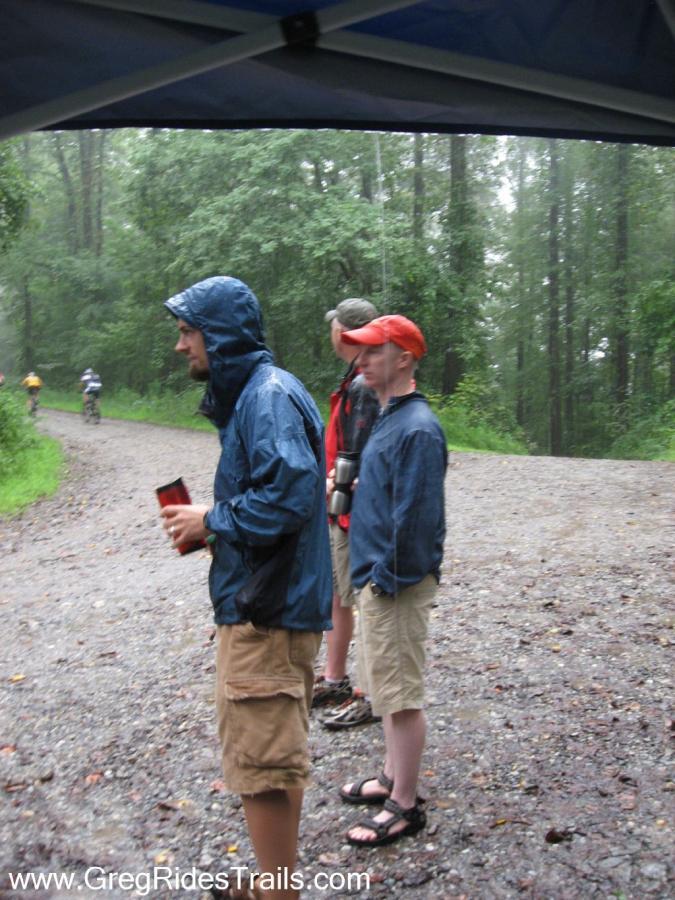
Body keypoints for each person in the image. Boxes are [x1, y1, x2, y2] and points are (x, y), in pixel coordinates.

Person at [160, 276, 332, 900]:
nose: (181, 346)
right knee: (274, 753)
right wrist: (215, 528)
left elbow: (288, 496)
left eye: (187, 331)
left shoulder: (266, 398)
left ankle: (277, 891)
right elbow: (280, 498)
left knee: (260, 765)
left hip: (267, 611)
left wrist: (213, 517)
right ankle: (272, 881)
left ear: (221, 334)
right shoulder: (263, 394)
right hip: (274, 601)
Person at [337, 315, 447, 847]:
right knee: (383, 686)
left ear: (404, 358)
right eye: (358, 352)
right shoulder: (389, 415)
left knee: (400, 695)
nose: (360, 362)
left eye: (371, 353)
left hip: (396, 585)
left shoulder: (418, 428)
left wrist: (386, 580)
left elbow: (419, 522)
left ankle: (405, 804)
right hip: (378, 580)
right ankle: (389, 777)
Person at [313, 298, 381, 731]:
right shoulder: (355, 376)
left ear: (346, 331)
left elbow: (361, 452)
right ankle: (336, 679)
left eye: (334, 325)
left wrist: (336, 487)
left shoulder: (364, 384)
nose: (331, 332)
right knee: (341, 595)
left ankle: (369, 696)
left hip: (354, 511)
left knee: (366, 601)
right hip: (341, 510)